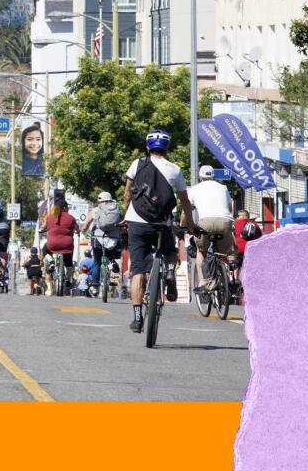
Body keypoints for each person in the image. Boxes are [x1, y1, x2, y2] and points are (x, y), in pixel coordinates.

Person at [123, 130, 188, 334]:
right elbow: (184, 201)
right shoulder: (175, 170)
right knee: (169, 250)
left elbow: (127, 193)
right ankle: (169, 272)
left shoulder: (137, 164)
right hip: (161, 223)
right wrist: (191, 224)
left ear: (148, 147)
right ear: (167, 149)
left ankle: (137, 318)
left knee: (138, 272)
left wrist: (126, 214)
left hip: (137, 222)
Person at [187, 165, 235, 291]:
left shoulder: (194, 189)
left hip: (205, 223)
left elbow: (186, 210)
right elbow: (230, 208)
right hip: (225, 221)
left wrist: (185, 224)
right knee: (225, 251)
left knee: (201, 251)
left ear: (200, 177)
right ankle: (228, 278)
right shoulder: (223, 188)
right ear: (213, 176)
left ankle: (203, 282)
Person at [80, 190, 122, 295]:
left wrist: (83, 231)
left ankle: (95, 287)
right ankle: (112, 262)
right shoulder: (116, 210)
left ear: (99, 201)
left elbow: (85, 226)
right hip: (112, 239)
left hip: (98, 238)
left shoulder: (94, 210)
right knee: (111, 254)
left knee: (97, 262)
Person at [43, 192, 79, 291]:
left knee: (45, 249)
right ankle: (68, 280)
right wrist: (78, 232)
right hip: (67, 245)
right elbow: (77, 228)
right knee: (69, 261)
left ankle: (50, 261)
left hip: (52, 245)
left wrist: (41, 230)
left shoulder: (49, 217)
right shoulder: (70, 218)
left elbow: (43, 228)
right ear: (64, 208)